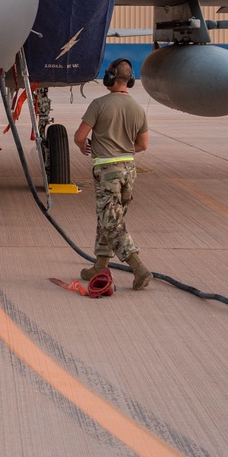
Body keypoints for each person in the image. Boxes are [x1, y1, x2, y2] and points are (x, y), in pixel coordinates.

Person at [73, 58, 153, 289]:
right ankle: (100, 264)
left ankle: (139, 267)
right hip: (129, 170)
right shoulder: (138, 109)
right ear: (130, 80)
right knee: (110, 219)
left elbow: (79, 136)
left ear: (110, 77)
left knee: (111, 224)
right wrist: (123, 150)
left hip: (108, 171)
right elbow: (143, 144)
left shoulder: (99, 105)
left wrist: (83, 147)